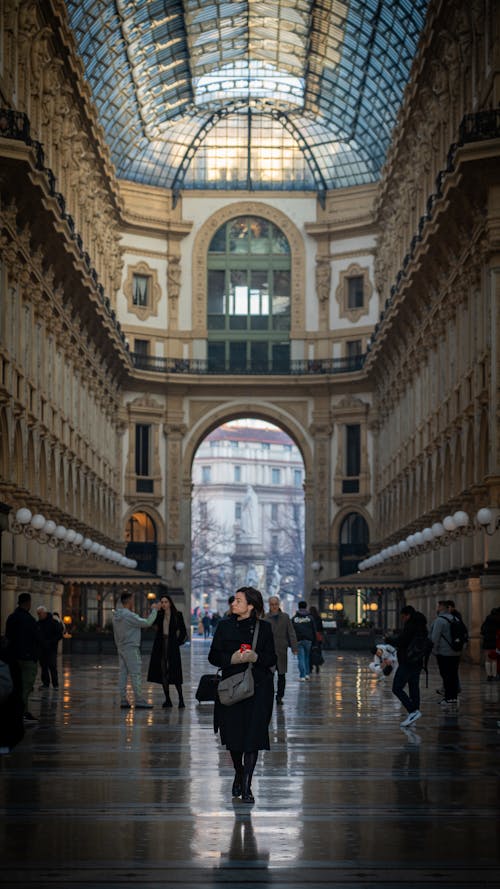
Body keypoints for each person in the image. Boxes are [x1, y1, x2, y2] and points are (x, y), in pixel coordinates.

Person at [208, 586, 277, 804]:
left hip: (258, 689)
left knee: (253, 738)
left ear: (251, 606)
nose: (233, 604)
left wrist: (255, 657)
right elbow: (213, 656)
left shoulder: (264, 628)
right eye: (234, 600)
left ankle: (247, 785)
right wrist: (232, 659)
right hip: (231, 690)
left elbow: (271, 659)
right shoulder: (224, 626)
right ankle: (239, 771)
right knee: (234, 739)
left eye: (238, 601)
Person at [112, 591, 159, 709]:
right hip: (131, 648)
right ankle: (139, 700)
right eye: (132, 599)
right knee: (135, 673)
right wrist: (154, 610)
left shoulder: (116, 616)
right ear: (128, 601)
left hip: (121, 647)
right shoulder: (129, 616)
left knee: (123, 673)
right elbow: (147, 623)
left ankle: (123, 699)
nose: (133, 602)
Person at [386, 604, 429, 728]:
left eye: (403, 617)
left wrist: (389, 640)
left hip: (408, 661)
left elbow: (402, 641)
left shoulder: (411, 625)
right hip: (417, 660)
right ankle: (414, 712)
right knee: (413, 686)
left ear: (407, 615)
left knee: (396, 687)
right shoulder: (422, 625)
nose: (402, 619)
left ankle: (413, 711)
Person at [147, 594, 187, 707]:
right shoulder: (159, 614)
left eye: (166, 602)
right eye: (162, 602)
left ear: (170, 603)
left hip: (172, 645)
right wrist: (155, 610)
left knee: (175, 671)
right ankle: (167, 699)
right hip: (161, 645)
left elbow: (183, 631)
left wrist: (177, 642)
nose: (164, 604)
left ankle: (181, 699)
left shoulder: (177, 615)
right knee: (163, 671)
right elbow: (150, 623)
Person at [5, 592, 39, 724]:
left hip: (14, 656)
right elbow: (36, 638)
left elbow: (8, 636)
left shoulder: (11, 618)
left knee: (16, 685)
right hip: (27, 657)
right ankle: (21, 712)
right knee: (26, 686)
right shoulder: (29, 619)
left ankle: (19, 711)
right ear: (28, 603)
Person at [264, 595, 298, 704]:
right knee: (269, 676)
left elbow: (291, 632)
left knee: (281, 675)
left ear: (279, 605)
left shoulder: (285, 617)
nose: (274, 606)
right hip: (269, 651)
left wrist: (294, 647)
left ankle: (279, 696)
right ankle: (269, 695)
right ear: (269, 605)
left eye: (276, 604)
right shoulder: (265, 618)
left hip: (281, 650)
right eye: (272, 604)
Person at [430, 600, 464, 706]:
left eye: (438, 607)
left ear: (441, 608)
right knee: (453, 675)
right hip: (456, 652)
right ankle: (453, 697)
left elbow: (434, 638)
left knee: (446, 675)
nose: (437, 609)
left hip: (444, 653)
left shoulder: (439, 620)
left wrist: (433, 651)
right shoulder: (456, 618)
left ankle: (448, 698)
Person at [36, 605, 63, 689]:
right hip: (42, 648)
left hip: (51, 648)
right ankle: (46, 683)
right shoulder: (38, 623)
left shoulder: (53, 622)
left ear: (44, 613)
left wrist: (51, 642)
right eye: (38, 614)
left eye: (40, 613)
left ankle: (55, 684)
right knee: (44, 666)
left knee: (52, 666)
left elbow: (59, 634)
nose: (39, 615)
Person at [291, 601, 316, 680]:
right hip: (308, 640)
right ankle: (307, 674)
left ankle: (302, 675)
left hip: (298, 640)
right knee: (307, 657)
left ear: (298, 607)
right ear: (306, 607)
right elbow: (314, 629)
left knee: (301, 658)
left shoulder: (294, 618)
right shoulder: (310, 618)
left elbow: (291, 630)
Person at [480, 607, 500, 681]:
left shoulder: (487, 620)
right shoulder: (498, 620)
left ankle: (489, 675)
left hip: (487, 640)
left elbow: (482, 630)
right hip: (495, 641)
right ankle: (494, 675)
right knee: (494, 658)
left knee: (487, 658)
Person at [309, 604, 325, 674]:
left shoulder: (309, 618)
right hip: (318, 637)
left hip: (311, 636)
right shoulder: (318, 618)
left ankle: (310, 665)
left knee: (310, 652)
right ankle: (317, 664)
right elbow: (321, 628)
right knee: (318, 651)